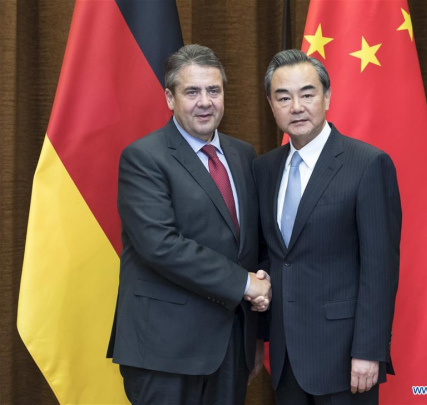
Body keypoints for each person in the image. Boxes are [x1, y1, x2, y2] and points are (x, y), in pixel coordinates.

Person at [107, 44, 270, 405]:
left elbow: (249, 244)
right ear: (170, 97)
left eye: (214, 90)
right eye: (192, 91)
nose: (205, 101)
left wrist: (256, 331)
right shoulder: (143, 158)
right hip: (164, 351)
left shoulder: (243, 154)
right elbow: (160, 244)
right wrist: (246, 284)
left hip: (230, 348)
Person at [252, 49, 402, 404]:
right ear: (271, 106)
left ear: (328, 97)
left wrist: (369, 350)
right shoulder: (263, 169)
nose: (297, 106)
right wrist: (257, 338)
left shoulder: (367, 164)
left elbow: (380, 268)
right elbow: (267, 257)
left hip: (345, 356)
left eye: (307, 94)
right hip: (286, 357)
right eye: (283, 97)